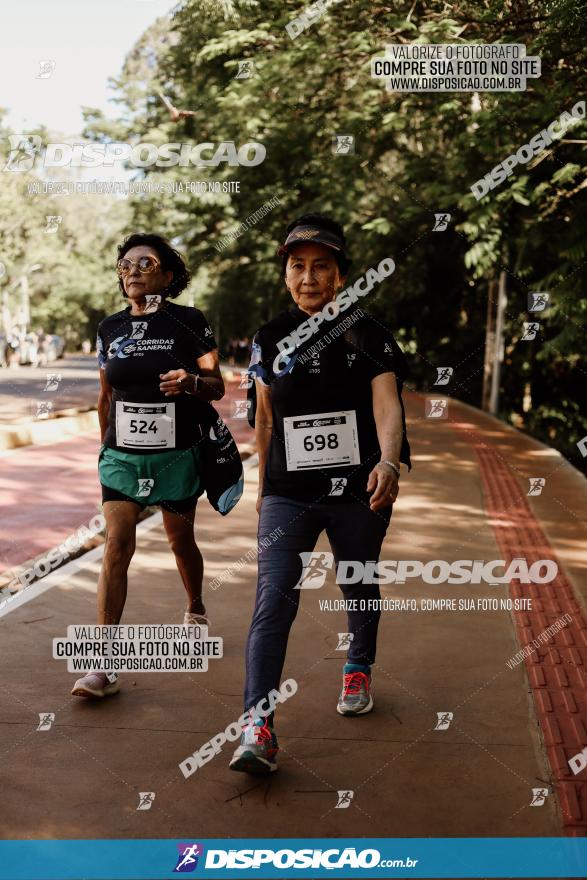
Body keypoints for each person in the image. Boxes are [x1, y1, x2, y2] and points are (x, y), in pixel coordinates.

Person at [229, 213, 411, 773]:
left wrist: (387, 461)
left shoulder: (370, 333)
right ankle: (257, 728)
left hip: (358, 490)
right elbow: (264, 418)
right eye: (298, 266)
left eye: (321, 267)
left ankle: (358, 665)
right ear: (285, 274)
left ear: (340, 275)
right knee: (274, 598)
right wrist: (262, 487)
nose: (308, 277)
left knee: (356, 579)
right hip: (288, 492)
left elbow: (387, 405)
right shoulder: (269, 338)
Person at [71, 233, 224, 699]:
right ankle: (102, 663)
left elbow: (216, 385)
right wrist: (105, 448)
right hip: (120, 456)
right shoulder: (110, 329)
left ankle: (195, 606)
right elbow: (105, 395)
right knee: (116, 545)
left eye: (145, 262)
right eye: (124, 265)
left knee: (181, 542)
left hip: (176, 455)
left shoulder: (189, 322)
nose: (132, 271)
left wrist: (192, 381)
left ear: (168, 274)